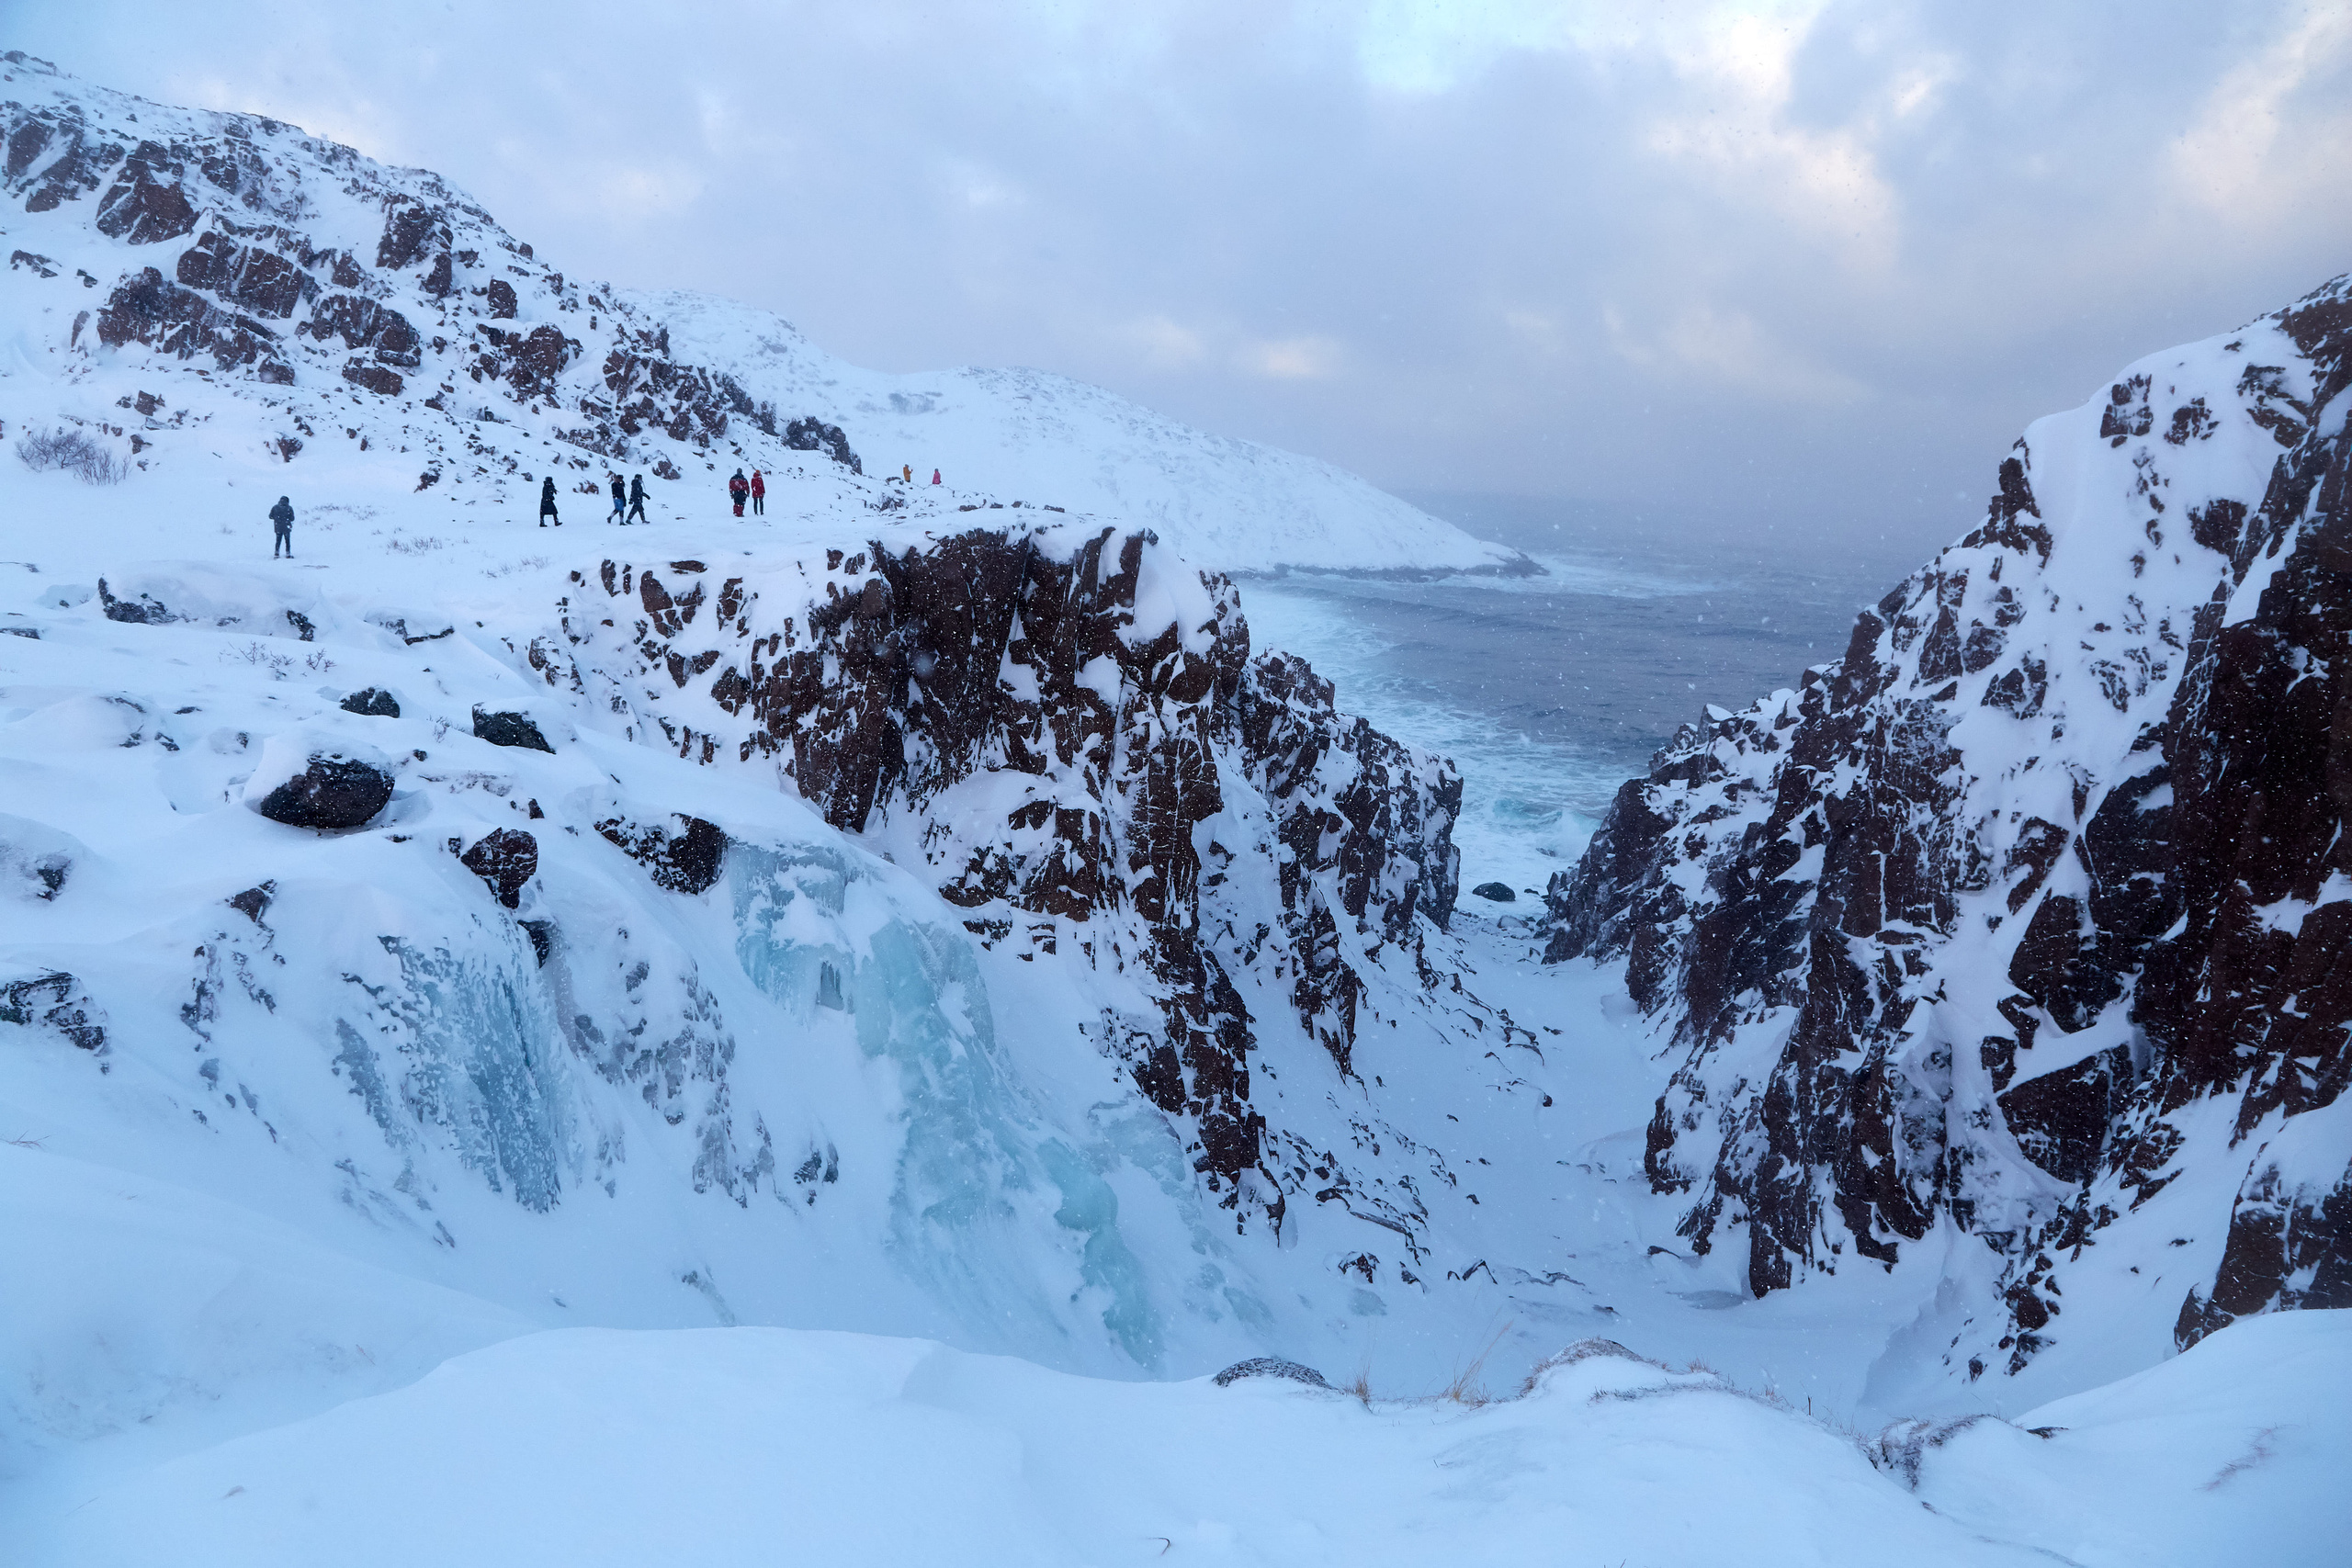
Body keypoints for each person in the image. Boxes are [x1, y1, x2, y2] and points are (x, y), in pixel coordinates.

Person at [269, 494, 294, 558]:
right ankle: (288, 553)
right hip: (287, 527)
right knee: (287, 541)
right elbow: (292, 518)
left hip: (278, 527)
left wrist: (277, 518)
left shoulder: (275, 507)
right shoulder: (289, 508)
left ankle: (277, 553)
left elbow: (270, 516)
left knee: (278, 540)